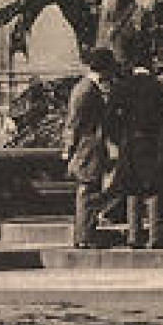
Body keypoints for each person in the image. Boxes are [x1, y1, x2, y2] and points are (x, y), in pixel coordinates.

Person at [109, 47, 163, 250]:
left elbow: (109, 119)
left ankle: (133, 235)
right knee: (154, 188)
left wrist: (119, 139)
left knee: (132, 188)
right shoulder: (160, 89)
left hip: (130, 144)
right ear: (150, 66)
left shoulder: (122, 88)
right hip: (155, 144)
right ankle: (156, 236)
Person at [64, 47, 121, 249]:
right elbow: (74, 122)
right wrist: (69, 150)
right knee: (87, 191)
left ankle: (86, 235)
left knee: (91, 190)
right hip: (88, 147)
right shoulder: (86, 90)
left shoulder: (88, 88)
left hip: (90, 147)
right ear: (103, 69)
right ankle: (84, 237)